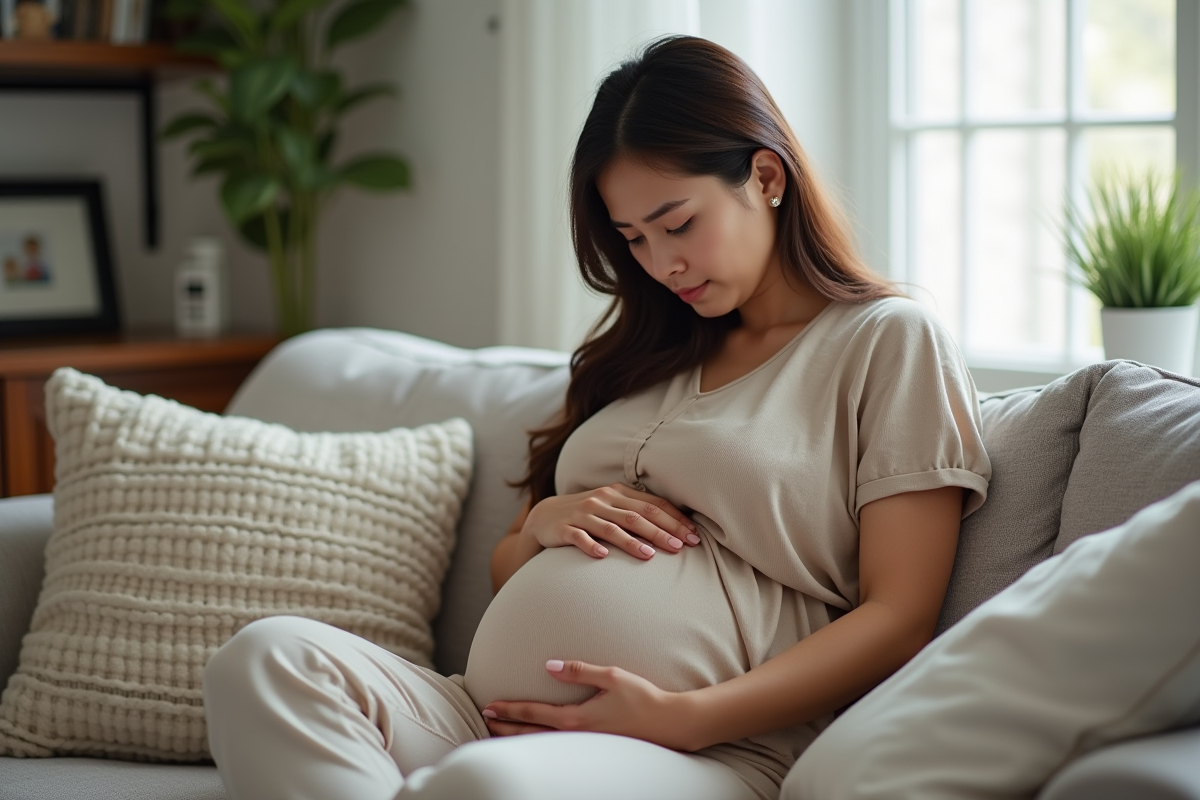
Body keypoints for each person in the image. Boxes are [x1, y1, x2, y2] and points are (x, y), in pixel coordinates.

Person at [203, 35, 991, 800]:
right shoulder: (638, 353)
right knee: (262, 659)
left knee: (478, 787)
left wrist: (684, 718)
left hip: (713, 746)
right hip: (485, 718)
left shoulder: (886, 341)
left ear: (764, 175)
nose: (660, 264)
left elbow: (900, 618)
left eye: (678, 223)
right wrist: (547, 519)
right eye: (633, 238)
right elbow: (512, 563)